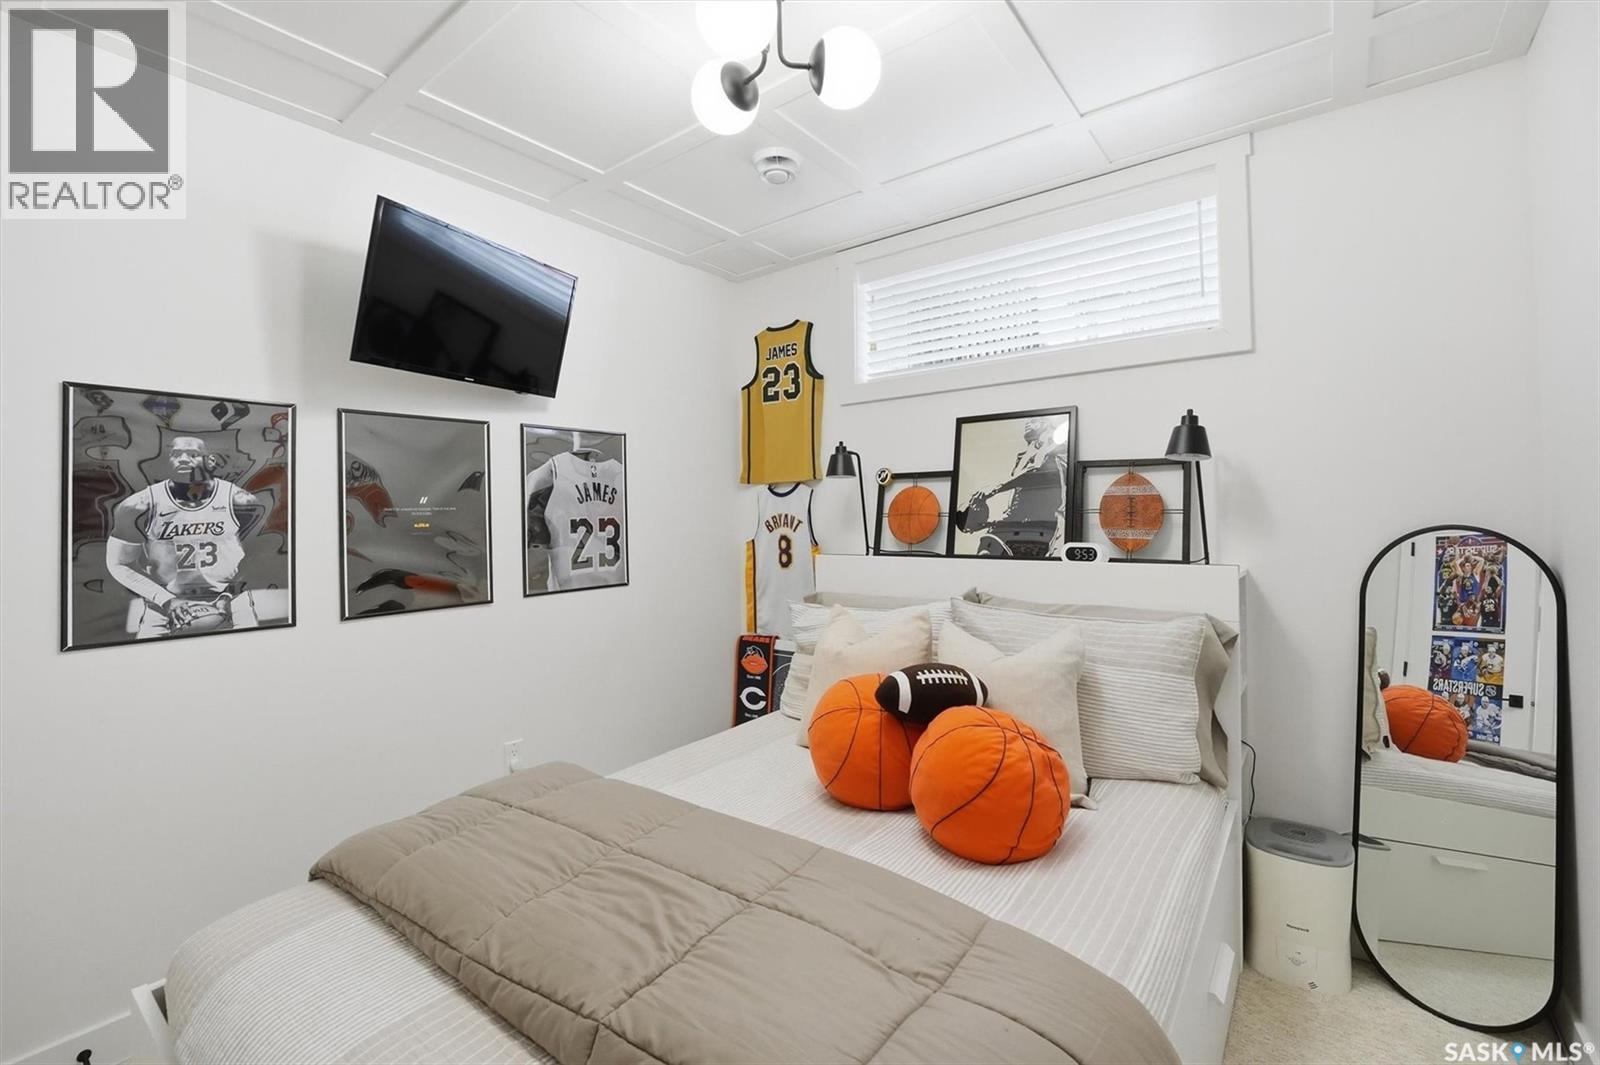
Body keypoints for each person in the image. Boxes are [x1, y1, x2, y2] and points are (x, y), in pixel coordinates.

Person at [105, 435, 266, 637]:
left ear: (211, 461)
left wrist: (229, 594)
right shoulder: (137, 506)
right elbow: (120, 564)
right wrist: (165, 600)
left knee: (250, 653)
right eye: (175, 454)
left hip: (230, 598)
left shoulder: (240, 501)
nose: (182, 459)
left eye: (192, 454)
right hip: (165, 600)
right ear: (167, 462)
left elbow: (260, 555)